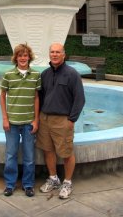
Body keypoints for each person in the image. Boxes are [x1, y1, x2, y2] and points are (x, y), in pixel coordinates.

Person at [36, 43, 85, 199]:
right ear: (49, 55)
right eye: (52, 52)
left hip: (62, 120)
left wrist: (71, 119)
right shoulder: (45, 74)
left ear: (64, 54)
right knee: (48, 150)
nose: (55, 54)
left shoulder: (72, 74)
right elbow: (40, 97)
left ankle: (67, 182)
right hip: (45, 119)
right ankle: (53, 178)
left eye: (58, 52)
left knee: (66, 152)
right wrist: (37, 117)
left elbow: (79, 99)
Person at [0, 43, 41, 197]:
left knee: (29, 156)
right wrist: (5, 118)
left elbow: (37, 98)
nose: (23, 58)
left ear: (29, 57)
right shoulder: (8, 75)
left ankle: (28, 185)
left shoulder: (36, 75)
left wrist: (36, 120)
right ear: (15, 58)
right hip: (12, 123)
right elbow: (2, 96)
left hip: (29, 123)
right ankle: (10, 184)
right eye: (20, 55)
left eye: (25, 55)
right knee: (11, 154)